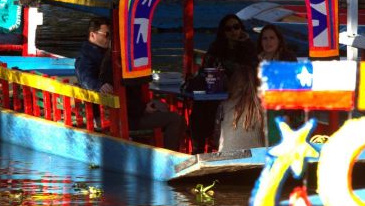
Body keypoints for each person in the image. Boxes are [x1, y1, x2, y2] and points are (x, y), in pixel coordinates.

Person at [75, 17, 184, 151]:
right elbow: (85, 77)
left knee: (168, 113)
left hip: (125, 111)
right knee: (175, 119)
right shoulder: (101, 60)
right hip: (120, 116)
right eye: (107, 35)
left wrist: (146, 105)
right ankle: (171, 157)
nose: (110, 39)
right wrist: (144, 107)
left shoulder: (111, 58)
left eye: (113, 35)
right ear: (92, 34)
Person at [191, 14, 258, 152]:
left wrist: (228, 64)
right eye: (229, 28)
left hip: (241, 91)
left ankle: (213, 142)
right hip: (217, 88)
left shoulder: (248, 46)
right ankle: (198, 148)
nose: (233, 31)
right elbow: (206, 67)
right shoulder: (217, 45)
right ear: (223, 31)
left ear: (241, 28)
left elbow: (249, 71)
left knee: (215, 107)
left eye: (236, 27)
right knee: (199, 107)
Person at [213, 65, 264, 151]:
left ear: (232, 83)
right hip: (256, 162)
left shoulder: (223, 106)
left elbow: (216, 140)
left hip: (224, 161)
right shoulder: (261, 106)